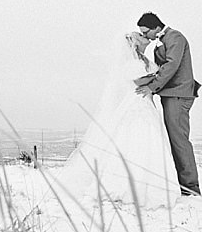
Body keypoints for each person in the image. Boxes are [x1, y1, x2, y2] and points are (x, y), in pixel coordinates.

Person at [60, 28, 180, 209]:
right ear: (134, 43)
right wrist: (159, 76)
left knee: (149, 141)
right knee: (135, 139)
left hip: (147, 102)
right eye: (140, 36)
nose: (144, 37)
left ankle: (151, 184)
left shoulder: (146, 60)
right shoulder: (130, 62)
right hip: (137, 103)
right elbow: (138, 81)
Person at [133, 12, 202, 196]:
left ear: (156, 27)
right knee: (174, 140)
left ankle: (191, 188)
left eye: (146, 31)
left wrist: (152, 87)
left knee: (179, 141)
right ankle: (183, 185)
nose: (145, 35)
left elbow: (171, 66)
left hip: (178, 95)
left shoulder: (175, 37)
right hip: (170, 94)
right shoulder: (162, 40)